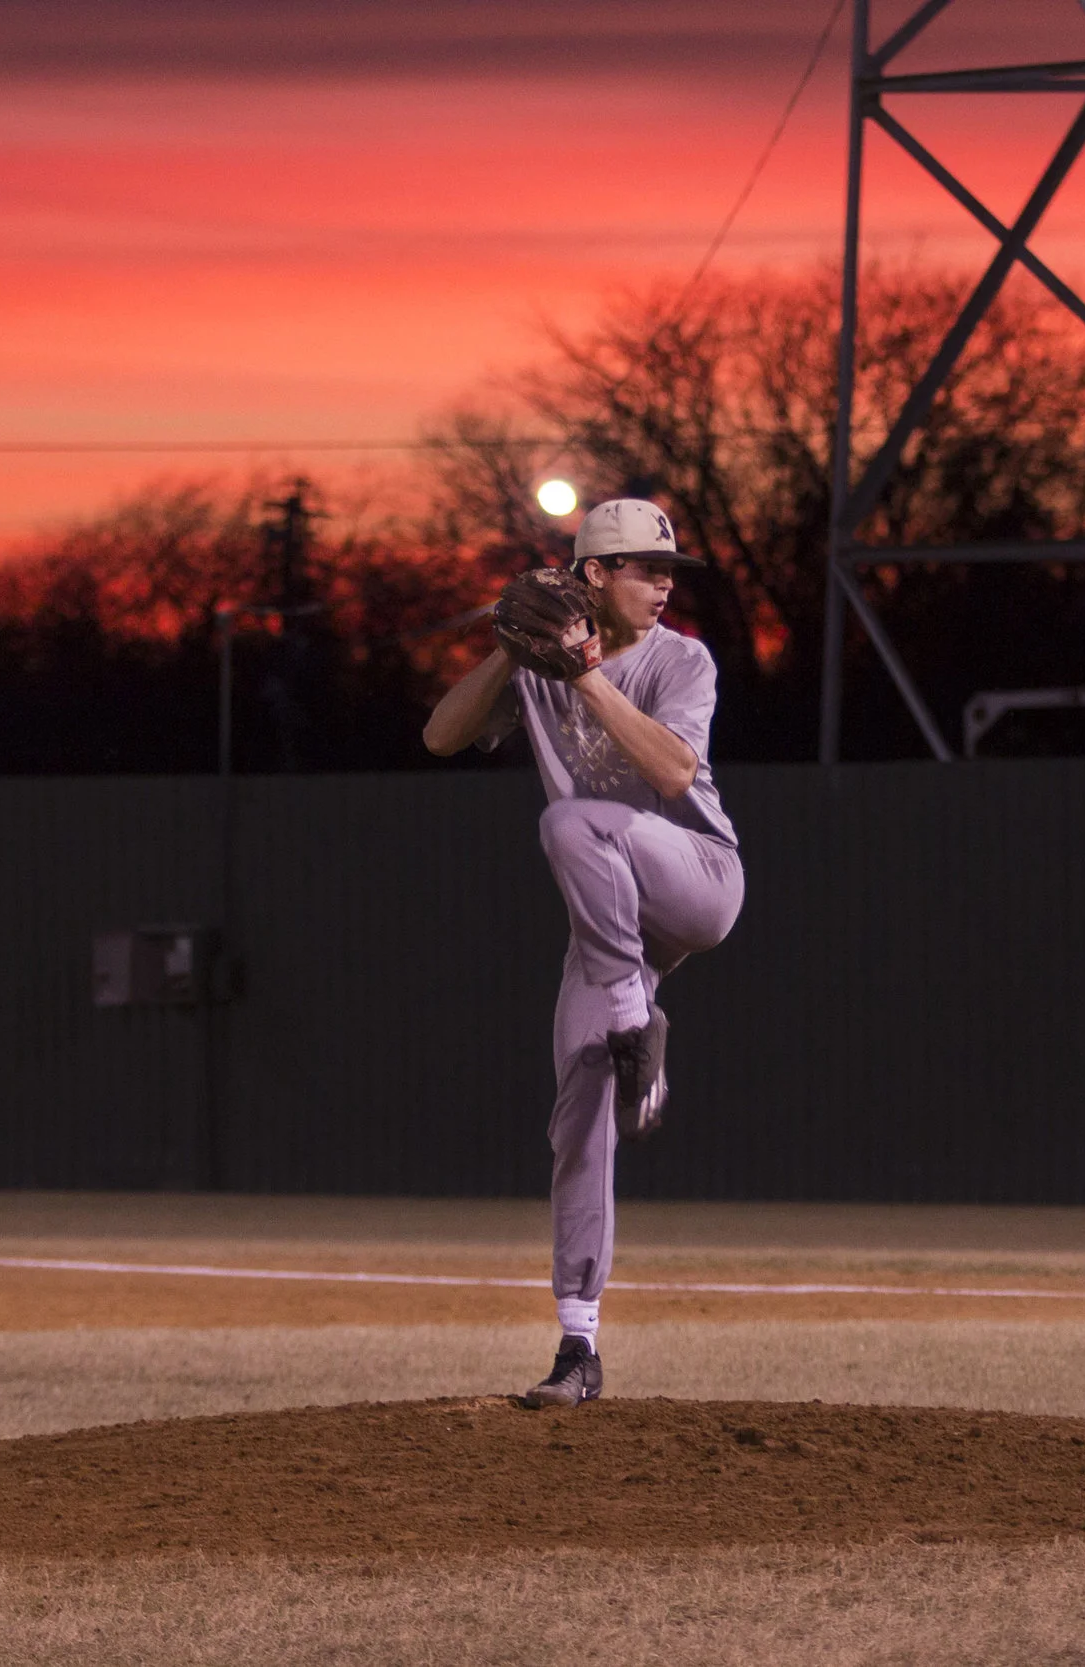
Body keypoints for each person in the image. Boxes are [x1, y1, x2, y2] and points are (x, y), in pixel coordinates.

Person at [422, 497, 743, 1409]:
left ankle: (640, 1017)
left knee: (573, 818)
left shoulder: (683, 658)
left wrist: (588, 676)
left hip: (696, 879)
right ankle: (578, 1344)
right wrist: (509, 648)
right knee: (577, 1110)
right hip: (610, 928)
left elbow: (675, 774)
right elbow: (441, 735)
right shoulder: (537, 666)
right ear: (595, 575)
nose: (666, 583)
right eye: (647, 568)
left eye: (669, 568)